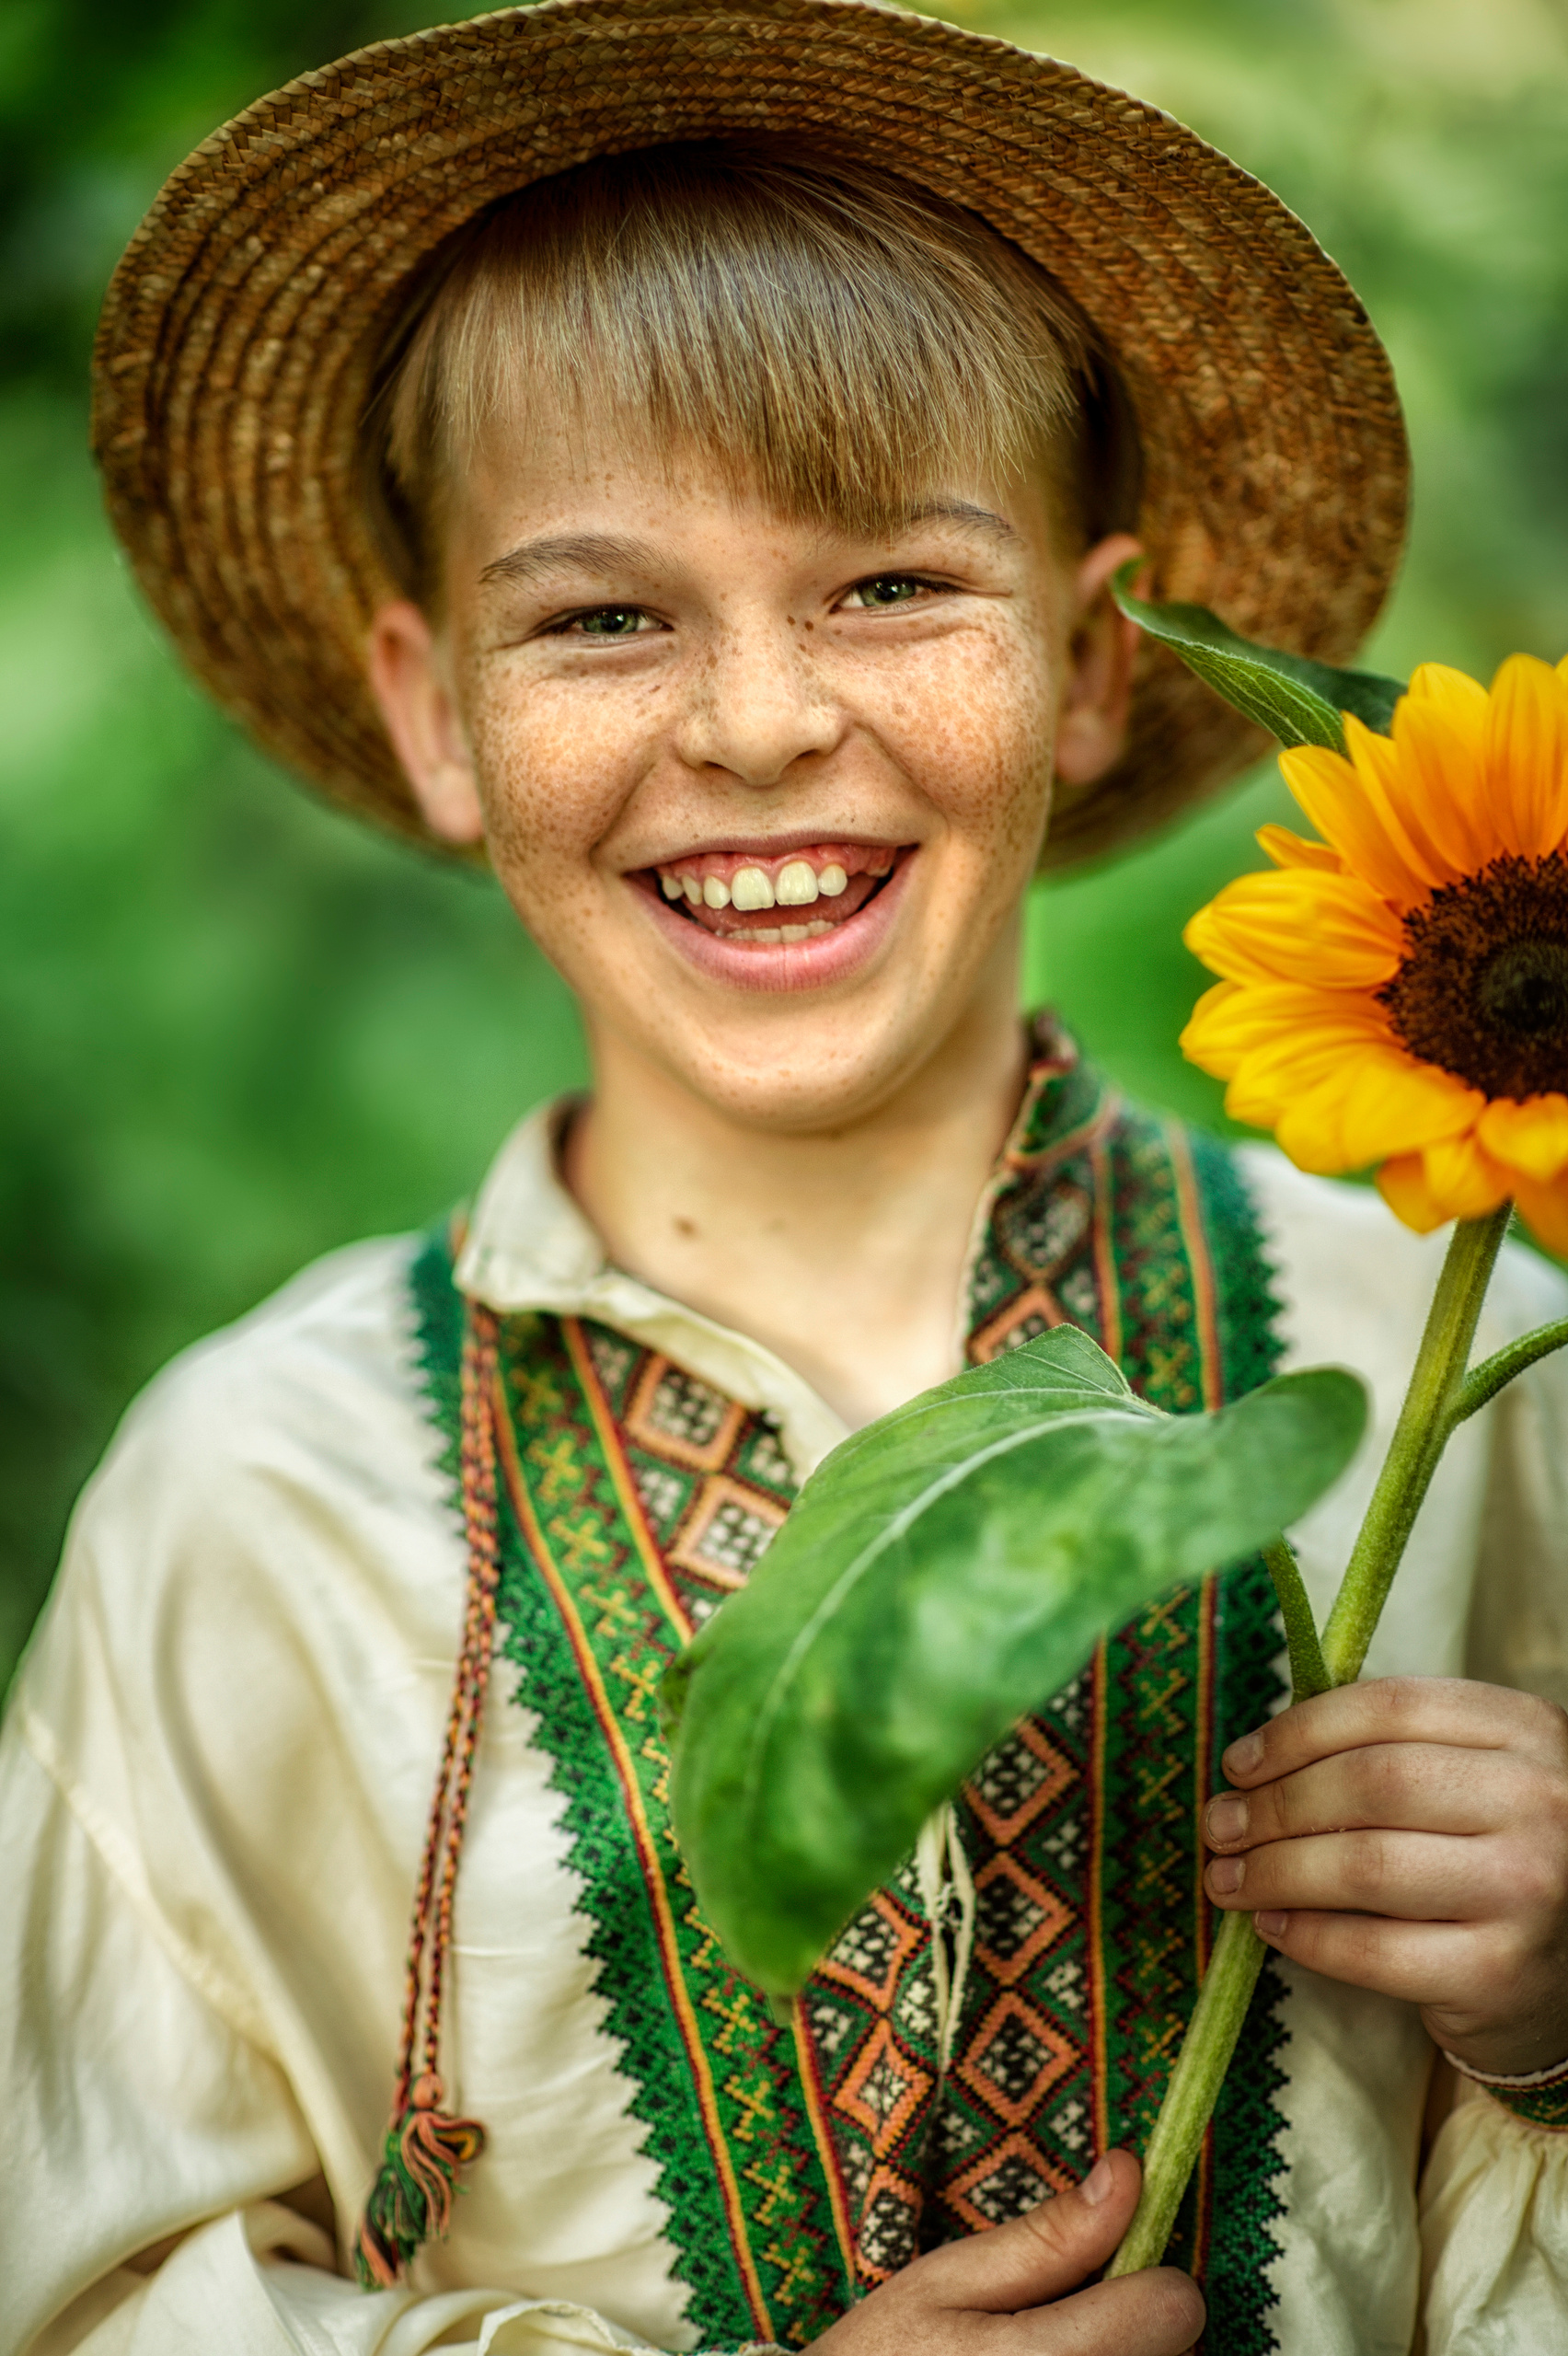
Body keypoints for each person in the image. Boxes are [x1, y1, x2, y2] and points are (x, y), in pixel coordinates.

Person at [4, 4, 1567, 2350]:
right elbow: (89, 2285)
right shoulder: (259, 1490)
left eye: (890, 588)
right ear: (438, 710)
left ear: (1090, 660)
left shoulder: (1431, 1369)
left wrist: (1558, 2001)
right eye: (603, 614)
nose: (752, 722)